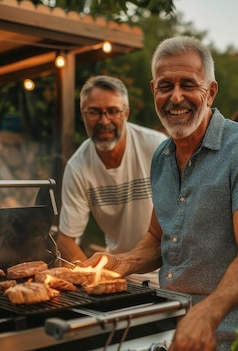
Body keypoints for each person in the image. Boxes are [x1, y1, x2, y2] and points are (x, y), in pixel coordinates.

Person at [79, 36, 238, 351]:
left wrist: (208, 313)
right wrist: (121, 261)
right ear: (153, 91)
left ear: (211, 91)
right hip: (169, 333)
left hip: (233, 338)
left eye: (188, 85)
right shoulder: (161, 157)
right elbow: (159, 237)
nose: (175, 97)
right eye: (165, 86)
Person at [56, 75, 167, 287]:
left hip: (169, 273)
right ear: (83, 114)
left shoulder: (156, 147)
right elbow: (66, 239)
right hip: (118, 277)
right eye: (95, 112)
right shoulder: (77, 167)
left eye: (113, 111)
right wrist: (88, 275)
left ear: (126, 113)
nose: (104, 121)